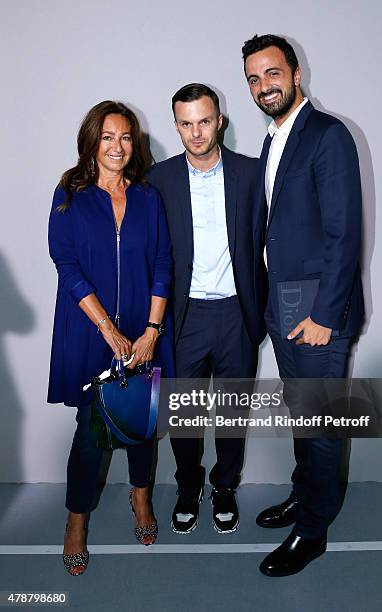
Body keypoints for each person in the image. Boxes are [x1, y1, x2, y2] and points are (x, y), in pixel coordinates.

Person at [242, 35, 365, 576]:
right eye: (252, 78)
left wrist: (325, 315)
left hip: (317, 308)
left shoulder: (327, 134)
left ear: (295, 73)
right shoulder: (274, 140)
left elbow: (344, 233)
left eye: (271, 73)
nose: (263, 85)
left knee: (320, 422)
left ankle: (312, 531)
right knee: (302, 415)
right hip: (284, 303)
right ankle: (303, 497)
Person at [48, 100, 174, 575]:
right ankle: (75, 523)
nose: (117, 146)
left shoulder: (147, 197)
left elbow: (163, 262)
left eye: (125, 137)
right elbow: (67, 266)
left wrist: (151, 332)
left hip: (143, 334)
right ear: (92, 141)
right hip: (91, 333)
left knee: (141, 425)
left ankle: (141, 502)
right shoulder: (69, 196)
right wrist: (108, 329)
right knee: (89, 438)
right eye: (107, 137)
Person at [148, 84, 267, 534]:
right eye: (186, 123)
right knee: (185, 414)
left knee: (234, 410)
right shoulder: (159, 180)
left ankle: (224, 486)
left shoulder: (252, 174)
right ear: (176, 125)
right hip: (184, 317)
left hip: (238, 312)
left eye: (204, 121)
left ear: (220, 121)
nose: (196, 133)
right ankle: (188, 485)